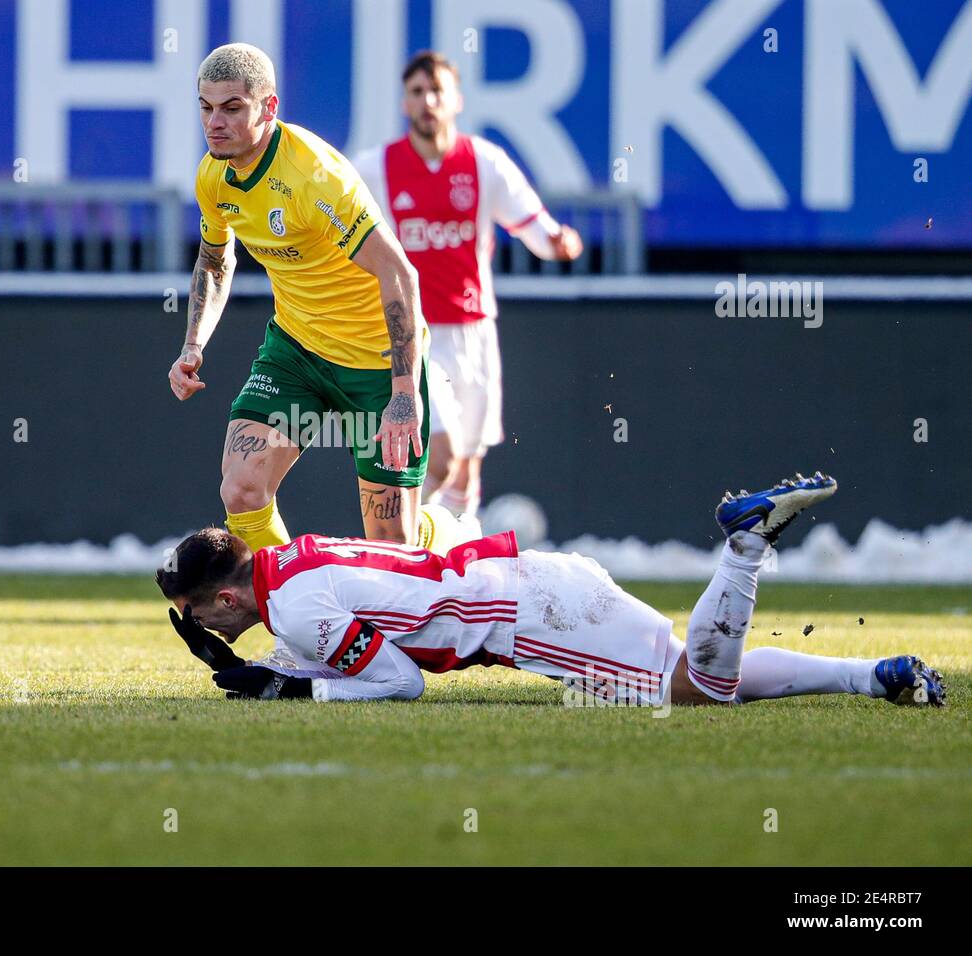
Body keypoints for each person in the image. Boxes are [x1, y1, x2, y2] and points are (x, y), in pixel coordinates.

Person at [155, 471, 946, 708]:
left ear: (225, 598)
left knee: (699, 690)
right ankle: (873, 676)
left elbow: (396, 682)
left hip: (525, 616)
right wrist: (277, 674)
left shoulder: (290, 603)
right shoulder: (290, 568)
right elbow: (351, 646)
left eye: (199, 616)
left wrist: (295, 694)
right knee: (696, 671)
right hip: (531, 587)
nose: (203, 630)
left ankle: (744, 546)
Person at [169, 43, 460, 555]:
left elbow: (400, 274)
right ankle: (291, 617)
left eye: (232, 107)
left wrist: (402, 392)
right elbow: (215, 261)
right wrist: (193, 343)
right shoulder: (213, 176)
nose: (215, 123)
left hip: (374, 361)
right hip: (296, 351)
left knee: (394, 546)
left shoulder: (313, 178)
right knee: (241, 490)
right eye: (206, 107)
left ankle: (449, 532)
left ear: (269, 107)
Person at [351, 51, 584, 523]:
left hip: (475, 333)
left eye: (437, 91)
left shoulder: (484, 162)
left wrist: (559, 243)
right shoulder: (376, 167)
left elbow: (536, 227)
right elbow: (335, 218)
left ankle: (455, 569)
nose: (427, 102)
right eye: (417, 92)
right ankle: (398, 547)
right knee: (441, 456)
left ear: (456, 100)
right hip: (414, 333)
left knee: (466, 474)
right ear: (404, 102)